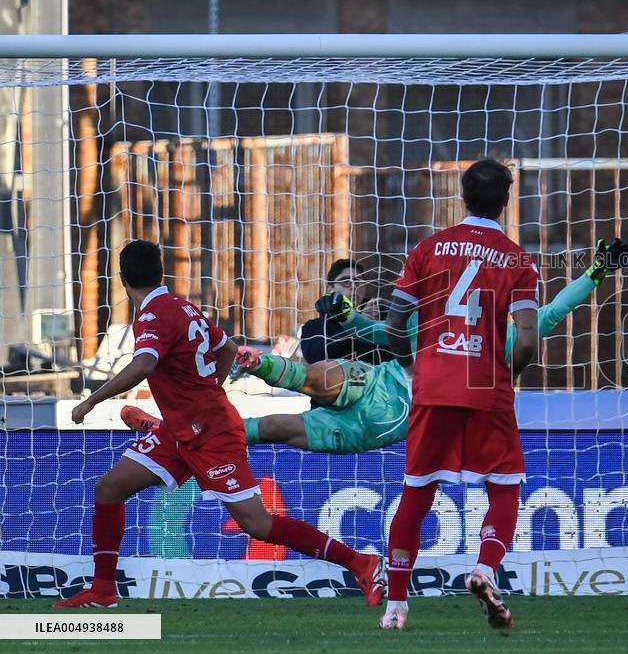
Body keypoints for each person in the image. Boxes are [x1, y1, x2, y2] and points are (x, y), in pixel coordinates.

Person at [55, 240, 384, 609]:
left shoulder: (152, 314)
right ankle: (102, 591)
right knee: (109, 489)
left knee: (257, 526)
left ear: (122, 280)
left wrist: (91, 399)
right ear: (161, 272)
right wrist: (207, 391)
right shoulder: (182, 306)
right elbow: (227, 348)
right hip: (181, 431)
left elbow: (145, 364)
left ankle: (362, 563)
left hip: (212, 435)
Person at [122, 238, 628, 459]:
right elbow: (380, 337)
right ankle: (209, 405)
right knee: (306, 393)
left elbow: (556, 310)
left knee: (295, 408)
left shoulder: (501, 336)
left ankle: (213, 407)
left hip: (395, 413)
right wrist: (348, 316)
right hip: (386, 393)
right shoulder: (439, 321)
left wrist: (598, 270)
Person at [381, 158, 538, 630]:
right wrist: (508, 376)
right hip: (487, 389)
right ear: (506, 202)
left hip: (433, 386)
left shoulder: (428, 248)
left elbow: (394, 324)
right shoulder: (516, 258)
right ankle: (485, 569)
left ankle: (396, 608)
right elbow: (528, 339)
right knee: (505, 489)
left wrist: (413, 368)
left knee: (415, 495)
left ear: (462, 197)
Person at [300, 258, 390, 366]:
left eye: (358, 281)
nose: (353, 286)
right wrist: (361, 324)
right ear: (330, 289)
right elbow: (314, 357)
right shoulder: (314, 326)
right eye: (346, 281)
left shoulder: (383, 317)